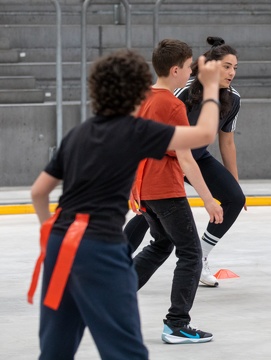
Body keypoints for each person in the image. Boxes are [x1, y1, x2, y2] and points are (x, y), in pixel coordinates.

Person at [28, 49, 222, 359]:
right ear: (136, 90)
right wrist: (211, 86)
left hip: (59, 245)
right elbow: (205, 133)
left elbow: (39, 192)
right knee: (125, 351)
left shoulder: (77, 133)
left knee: (56, 349)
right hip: (99, 247)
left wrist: (48, 237)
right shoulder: (135, 131)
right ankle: (176, 324)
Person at [124, 36, 246, 287]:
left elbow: (227, 142)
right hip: (167, 159)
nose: (232, 72)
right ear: (209, 66)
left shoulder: (233, 98)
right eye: (226, 66)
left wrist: (233, 181)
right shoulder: (181, 91)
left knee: (236, 198)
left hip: (196, 157)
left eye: (235, 67)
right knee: (149, 215)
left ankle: (201, 256)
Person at [128, 38, 221, 344]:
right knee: (192, 254)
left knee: (161, 244)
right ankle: (177, 324)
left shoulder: (142, 98)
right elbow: (185, 157)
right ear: (176, 69)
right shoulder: (172, 104)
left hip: (146, 189)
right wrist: (208, 199)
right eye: (189, 65)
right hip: (165, 189)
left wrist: (132, 187)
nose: (192, 72)